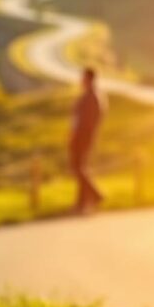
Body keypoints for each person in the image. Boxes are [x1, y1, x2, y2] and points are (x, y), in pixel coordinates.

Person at [69, 68, 106, 214]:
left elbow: (85, 121)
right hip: (84, 136)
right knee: (80, 168)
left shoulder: (92, 97)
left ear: (89, 79)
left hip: (83, 137)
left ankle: (96, 195)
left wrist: (77, 135)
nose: (81, 81)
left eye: (83, 78)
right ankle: (82, 203)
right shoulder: (93, 95)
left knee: (78, 168)